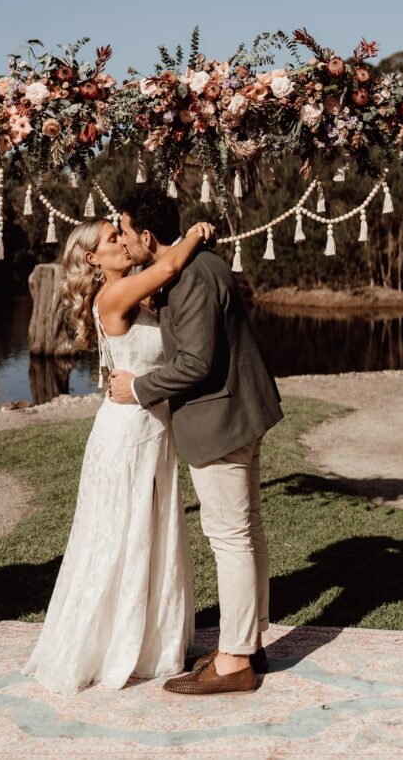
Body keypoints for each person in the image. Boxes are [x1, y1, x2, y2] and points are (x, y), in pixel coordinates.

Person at [23, 214, 214, 695]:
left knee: (150, 529)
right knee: (118, 533)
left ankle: (152, 640)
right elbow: (169, 267)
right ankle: (108, 642)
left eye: (118, 235)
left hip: (153, 427)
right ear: (93, 259)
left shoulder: (137, 290)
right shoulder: (113, 296)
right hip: (126, 432)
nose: (121, 243)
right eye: (112, 239)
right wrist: (193, 233)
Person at [109, 188, 283, 696]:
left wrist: (138, 388)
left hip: (221, 422)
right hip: (239, 414)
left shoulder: (188, 281)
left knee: (230, 536)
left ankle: (234, 663)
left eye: (123, 230)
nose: (120, 238)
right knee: (246, 528)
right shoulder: (200, 264)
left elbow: (196, 363)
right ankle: (245, 643)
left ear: (147, 236)